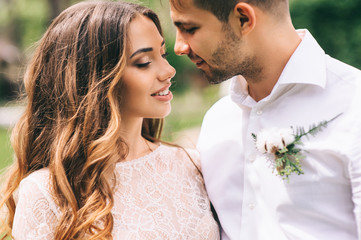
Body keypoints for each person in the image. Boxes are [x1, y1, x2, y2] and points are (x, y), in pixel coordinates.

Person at [0, 1, 220, 239]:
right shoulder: (47, 192)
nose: (168, 70)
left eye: (162, 54)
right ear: (95, 79)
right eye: (144, 62)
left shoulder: (192, 165)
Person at [169, 0, 361, 239]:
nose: (178, 46)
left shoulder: (354, 107)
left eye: (189, 28)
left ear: (243, 19)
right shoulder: (216, 121)